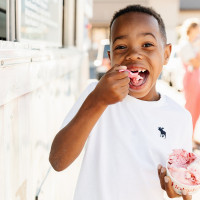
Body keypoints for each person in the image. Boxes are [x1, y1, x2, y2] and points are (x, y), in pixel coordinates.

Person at [49, 5, 193, 200]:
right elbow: (58, 161)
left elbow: (183, 185)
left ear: (166, 54)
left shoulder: (180, 118)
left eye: (147, 45)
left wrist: (178, 190)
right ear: (111, 58)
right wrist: (98, 101)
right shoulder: (95, 94)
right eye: (121, 47)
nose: (133, 54)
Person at [179, 18, 200, 141]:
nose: (198, 32)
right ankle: (187, 137)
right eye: (196, 29)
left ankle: (191, 136)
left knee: (197, 107)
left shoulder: (194, 45)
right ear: (190, 30)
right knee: (190, 108)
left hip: (197, 78)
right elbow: (196, 63)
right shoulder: (186, 45)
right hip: (191, 78)